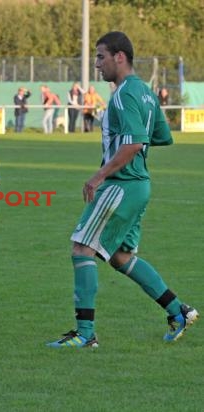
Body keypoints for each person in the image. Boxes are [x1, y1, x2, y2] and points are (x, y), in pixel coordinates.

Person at [47, 31, 198, 349]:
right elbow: (162, 136)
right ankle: (178, 310)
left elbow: (135, 142)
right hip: (139, 184)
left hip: (122, 184)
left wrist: (99, 175)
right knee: (120, 256)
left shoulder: (124, 94)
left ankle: (85, 334)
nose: (97, 64)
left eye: (100, 56)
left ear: (120, 57)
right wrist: (131, 146)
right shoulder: (145, 91)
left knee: (82, 248)